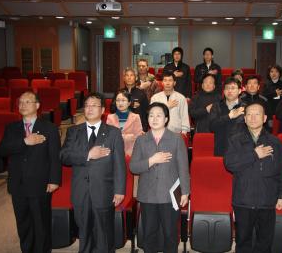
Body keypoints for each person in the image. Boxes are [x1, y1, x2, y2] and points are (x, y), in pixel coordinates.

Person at [60, 93, 126, 253]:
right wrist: (88, 155)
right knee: (85, 232)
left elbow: (119, 164)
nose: (89, 108)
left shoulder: (113, 132)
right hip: (80, 190)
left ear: (102, 109)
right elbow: (63, 156)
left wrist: (119, 190)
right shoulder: (73, 131)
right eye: (87, 105)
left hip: (104, 190)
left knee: (104, 234)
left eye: (94, 105)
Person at [224, 101, 282, 253]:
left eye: (257, 114)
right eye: (249, 114)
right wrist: (254, 154)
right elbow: (230, 164)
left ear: (264, 118)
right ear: (245, 118)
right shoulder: (235, 140)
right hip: (243, 200)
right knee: (243, 243)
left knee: (264, 244)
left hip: (267, 201)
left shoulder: (275, 142)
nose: (253, 117)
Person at [0, 91, 61, 253]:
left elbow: (54, 156)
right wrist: (25, 141)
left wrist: (54, 180)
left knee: (41, 223)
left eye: (27, 102)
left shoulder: (49, 128)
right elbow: (2, 150)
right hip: (17, 184)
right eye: (20, 102)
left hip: (40, 183)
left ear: (37, 106)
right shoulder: (11, 128)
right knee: (23, 223)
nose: (23, 105)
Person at [130, 102, 190, 253]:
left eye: (159, 115)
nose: (154, 119)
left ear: (166, 119)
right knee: (149, 235)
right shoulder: (141, 140)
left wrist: (185, 192)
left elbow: (183, 167)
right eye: (151, 115)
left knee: (170, 235)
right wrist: (152, 160)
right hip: (147, 195)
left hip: (169, 195)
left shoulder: (176, 139)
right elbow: (133, 167)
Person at [209, 77, 245, 156]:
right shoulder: (216, 106)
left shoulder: (246, 107)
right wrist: (229, 116)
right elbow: (212, 126)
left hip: (240, 150)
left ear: (239, 91)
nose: (229, 91)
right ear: (224, 91)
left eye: (233, 88)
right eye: (227, 88)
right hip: (221, 148)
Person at [106, 90, 143, 156]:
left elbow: (138, 138)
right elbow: (109, 138)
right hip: (114, 153)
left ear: (129, 103)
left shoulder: (136, 117)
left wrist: (118, 137)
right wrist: (128, 137)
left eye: (123, 100)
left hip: (131, 153)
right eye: (118, 100)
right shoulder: (110, 117)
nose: (120, 103)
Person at [122, 67, 149, 131]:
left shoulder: (141, 93)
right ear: (124, 78)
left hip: (138, 127)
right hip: (122, 126)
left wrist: (144, 129)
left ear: (136, 78)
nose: (129, 77)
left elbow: (146, 112)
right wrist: (131, 104)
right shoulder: (119, 93)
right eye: (127, 75)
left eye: (131, 75)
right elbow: (112, 109)